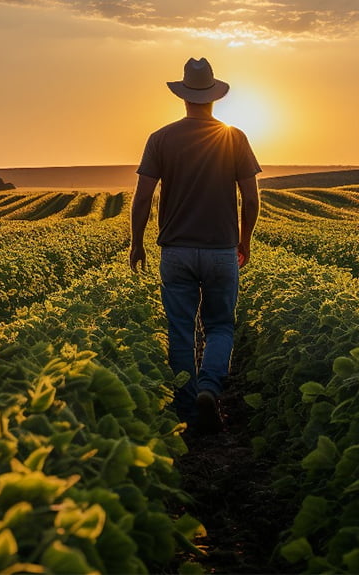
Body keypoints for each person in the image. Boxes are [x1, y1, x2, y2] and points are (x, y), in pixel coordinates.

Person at [129, 57, 261, 435]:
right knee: (220, 326)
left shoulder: (161, 138)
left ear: (183, 96)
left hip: (176, 251)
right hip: (221, 250)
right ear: (214, 97)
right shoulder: (233, 137)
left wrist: (137, 243)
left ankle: (186, 408)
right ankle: (209, 388)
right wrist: (244, 239)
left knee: (180, 330)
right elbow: (251, 199)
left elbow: (142, 199)